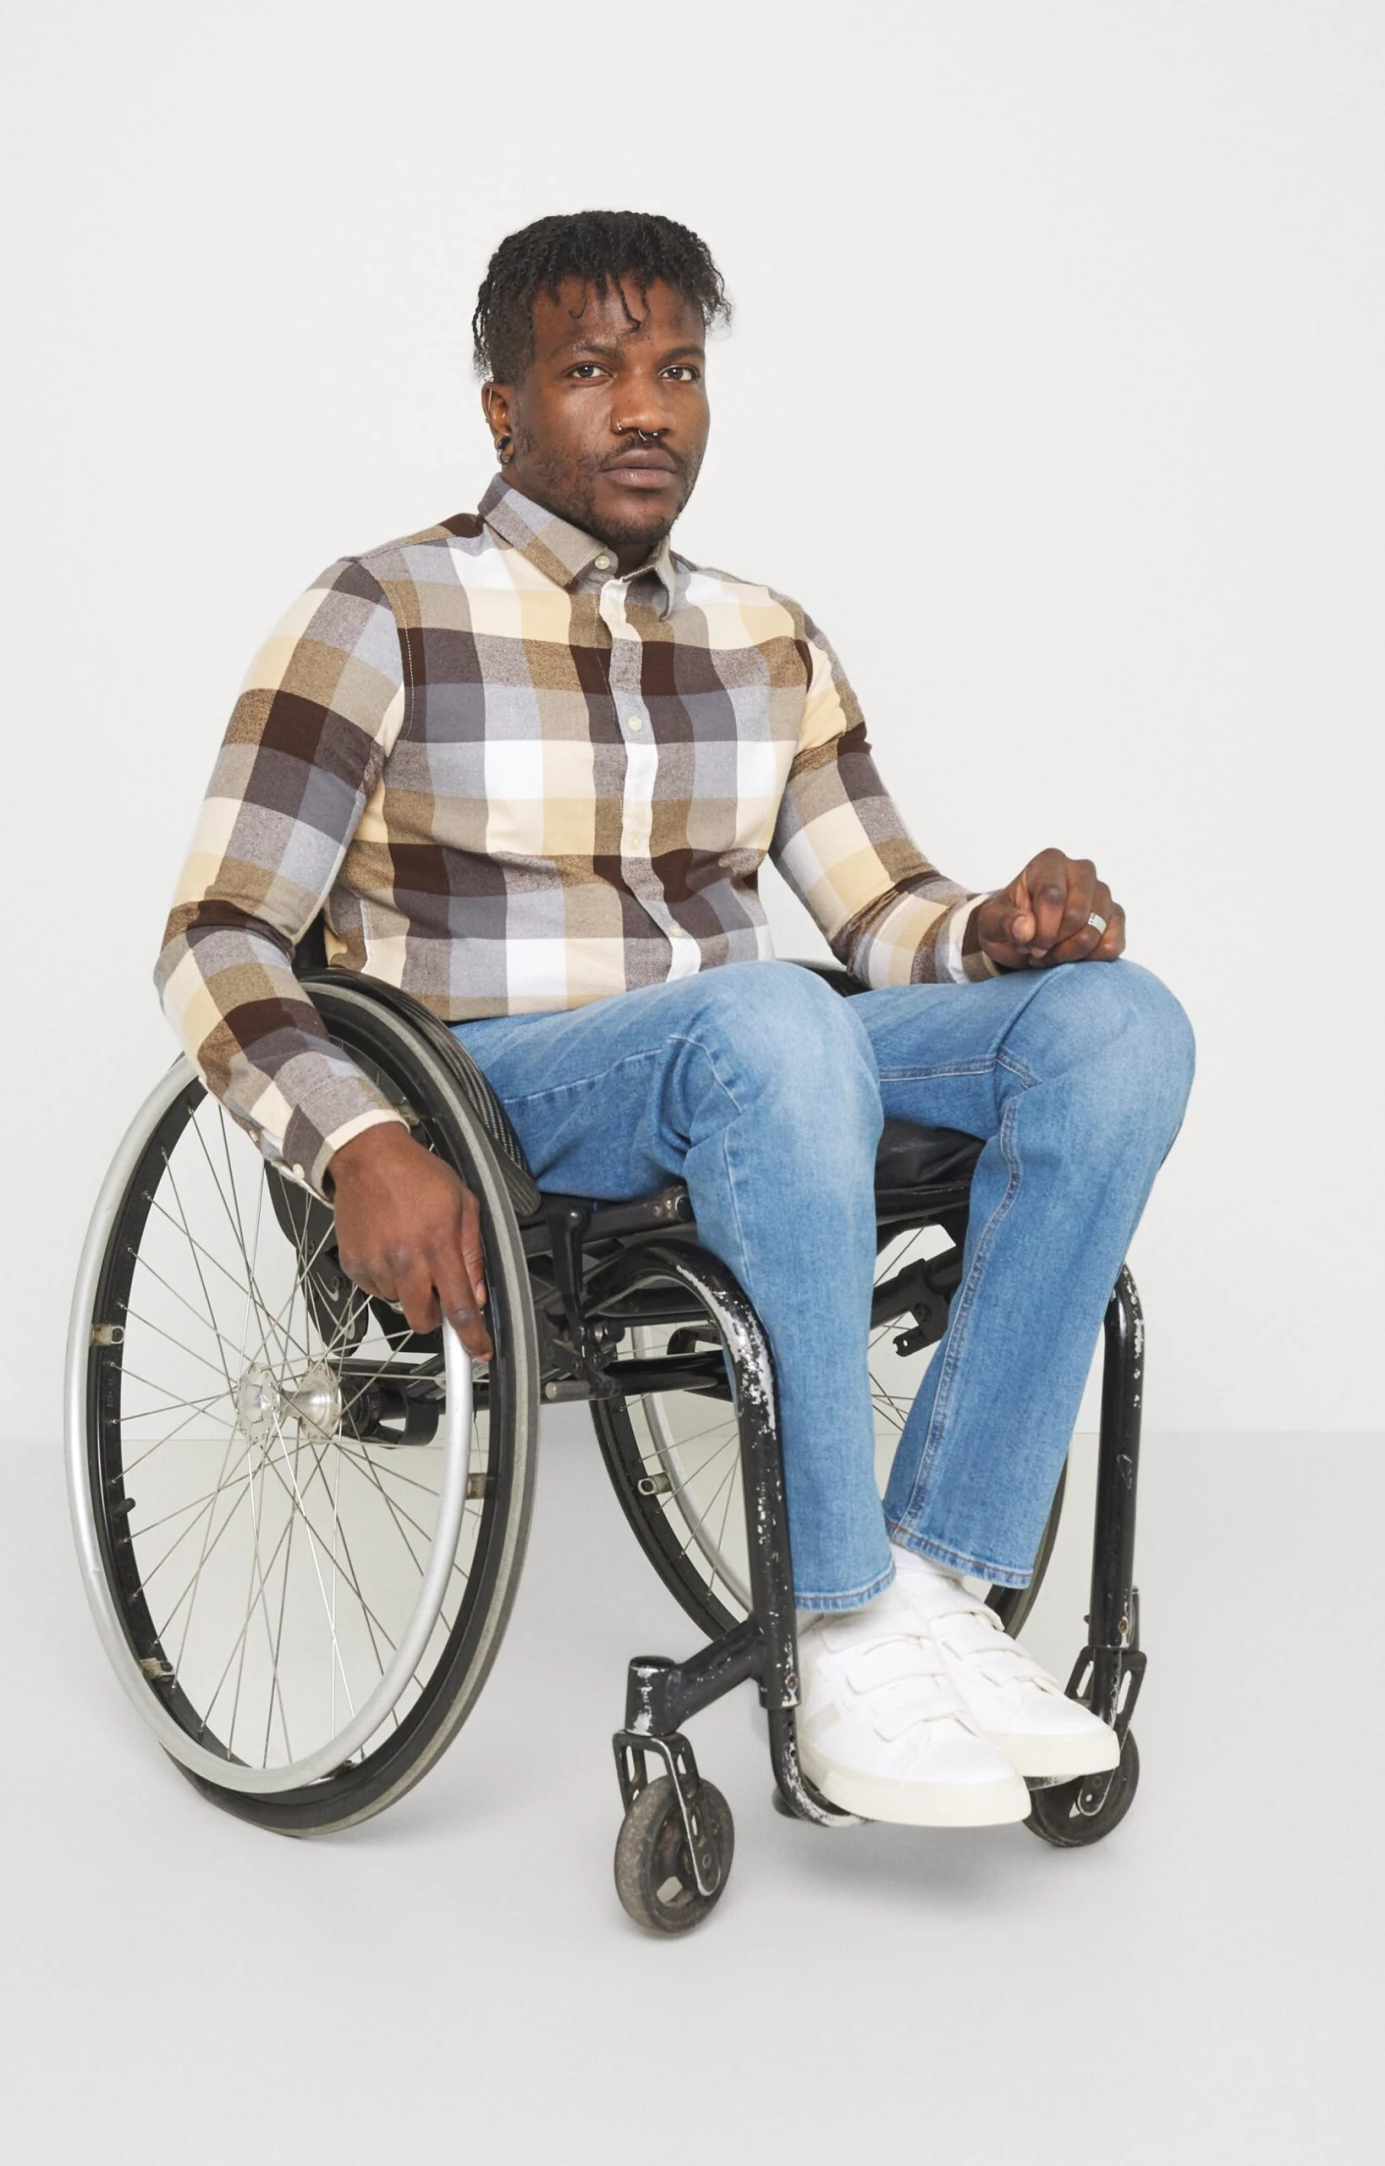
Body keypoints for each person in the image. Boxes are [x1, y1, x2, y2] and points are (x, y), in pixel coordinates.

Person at [157, 209, 1195, 1831]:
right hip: (499, 1080)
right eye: (593, 371)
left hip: (757, 1056)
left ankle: (932, 1589)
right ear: (504, 407)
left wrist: (1000, 929)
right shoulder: (381, 612)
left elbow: (881, 911)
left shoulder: (765, 638)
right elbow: (218, 932)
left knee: (1119, 1026)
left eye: (680, 371)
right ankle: (835, 1619)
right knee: (771, 1018)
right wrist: (356, 1138)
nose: (647, 409)